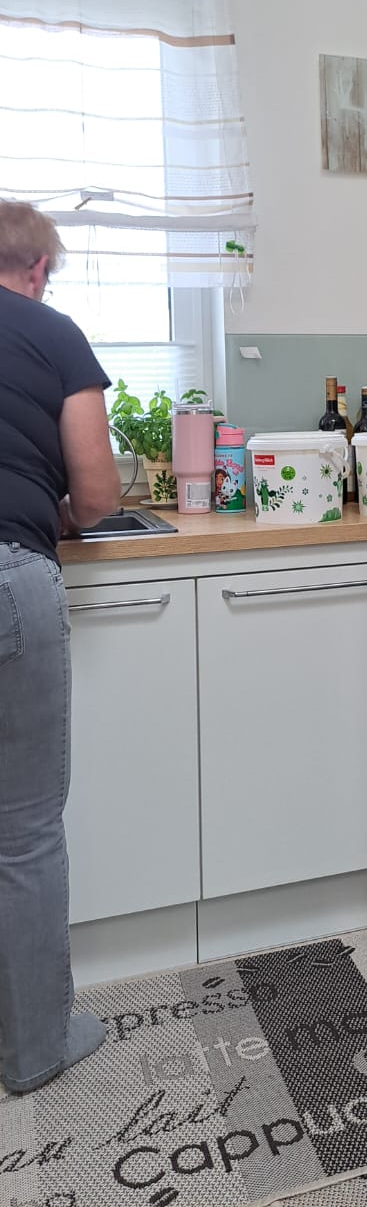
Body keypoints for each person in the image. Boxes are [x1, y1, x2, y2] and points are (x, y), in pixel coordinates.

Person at [0, 201, 122, 1093]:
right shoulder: (51, 332)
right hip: (10, 573)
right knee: (25, 830)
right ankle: (36, 1046)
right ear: (39, 268)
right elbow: (98, 495)